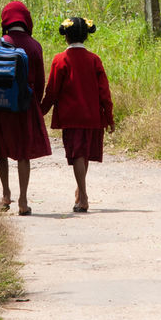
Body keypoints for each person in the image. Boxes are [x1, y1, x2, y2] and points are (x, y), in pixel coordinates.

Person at [0, 0, 51, 215]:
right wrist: (39, 106)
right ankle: (23, 201)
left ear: (5, 20)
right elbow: (41, 81)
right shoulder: (34, 46)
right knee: (23, 152)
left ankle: (6, 194)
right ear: (26, 20)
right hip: (24, 106)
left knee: (1, 150)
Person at [41, 16, 114, 214]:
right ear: (86, 37)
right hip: (92, 116)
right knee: (84, 154)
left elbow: (52, 91)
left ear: (66, 37)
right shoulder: (94, 60)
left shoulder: (60, 60)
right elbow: (104, 92)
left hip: (71, 116)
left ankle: (83, 197)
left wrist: (41, 111)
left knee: (77, 155)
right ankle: (80, 192)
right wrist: (109, 116)